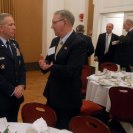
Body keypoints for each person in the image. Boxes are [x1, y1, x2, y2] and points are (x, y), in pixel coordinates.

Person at [39, 9, 87, 129]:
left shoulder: (78, 43)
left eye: (54, 23)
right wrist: (44, 65)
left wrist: (51, 66)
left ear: (64, 22)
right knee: (50, 126)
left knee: (64, 128)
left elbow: (73, 70)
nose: (51, 26)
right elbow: (49, 60)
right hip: (53, 94)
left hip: (68, 97)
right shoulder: (55, 41)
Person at [0, 13, 26, 122]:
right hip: (2, 98)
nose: (14, 27)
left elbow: (22, 67)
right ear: (1, 27)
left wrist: (21, 84)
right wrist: (12, 90)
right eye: (10, 25)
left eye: (14, 24)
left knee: (13, 124)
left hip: (15, 98)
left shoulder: (14, 44)